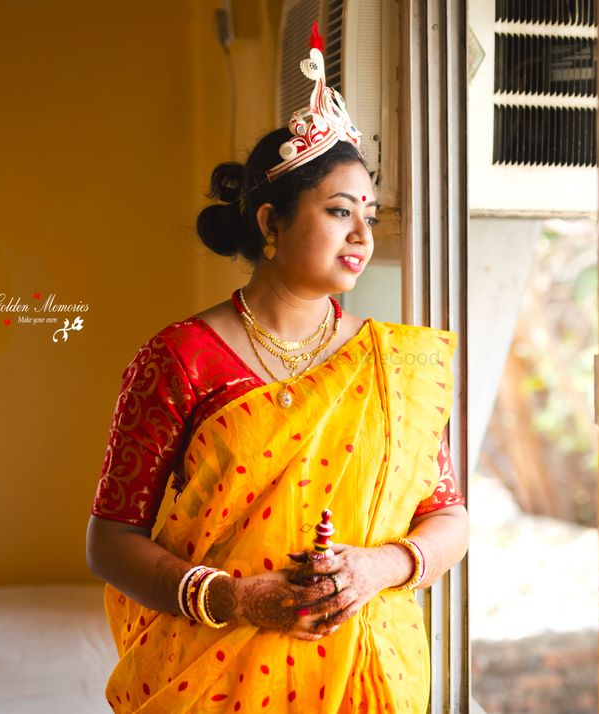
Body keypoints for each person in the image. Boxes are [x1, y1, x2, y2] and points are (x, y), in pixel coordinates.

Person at [85, 22, 468, 713]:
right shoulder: (180, 357)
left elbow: (448, 517)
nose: (362, 235)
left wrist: (380, 566)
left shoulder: (393, 365)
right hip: (214, 675)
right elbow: (110, 542)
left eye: (370, 216)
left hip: (367, 675)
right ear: (270, 222)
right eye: (339, 211)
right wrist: (231, 596)